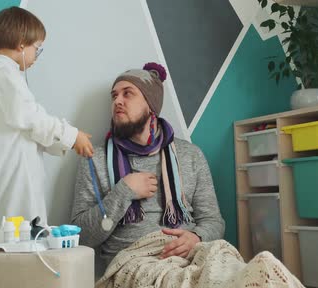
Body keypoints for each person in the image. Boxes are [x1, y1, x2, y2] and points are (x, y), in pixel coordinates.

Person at [70, 62, 225, 265]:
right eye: (114, 95)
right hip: (134, 264)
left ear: (150, 105)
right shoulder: (95, 160)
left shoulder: (190, 155)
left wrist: (196, 237)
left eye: (128, 94)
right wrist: (123, 191)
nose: (118, 101)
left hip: (191, 258)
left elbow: (214, 221)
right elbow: (82, 237)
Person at [0, 6, 94, 237]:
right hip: (13, 178)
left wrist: (65, 141)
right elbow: (31, 117)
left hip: (17, 174)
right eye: (37, 48)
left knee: (27, 237)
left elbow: (28, 125)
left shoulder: (6, 75)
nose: (36, 57)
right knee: (19, 240)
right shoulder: (0, 73)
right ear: (22, 43)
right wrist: (71, 136)